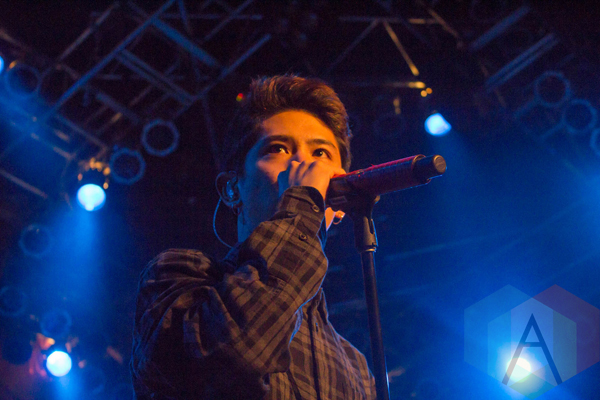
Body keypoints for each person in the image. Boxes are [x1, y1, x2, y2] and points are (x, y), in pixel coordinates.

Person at [130, 75, 376, 399]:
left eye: (321, 153)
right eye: (278, 149)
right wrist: (302, 203)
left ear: (341, 202)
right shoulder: (178, 278)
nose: (303, 164)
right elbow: (233, 357)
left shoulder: (357, 370)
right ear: (232, 189)